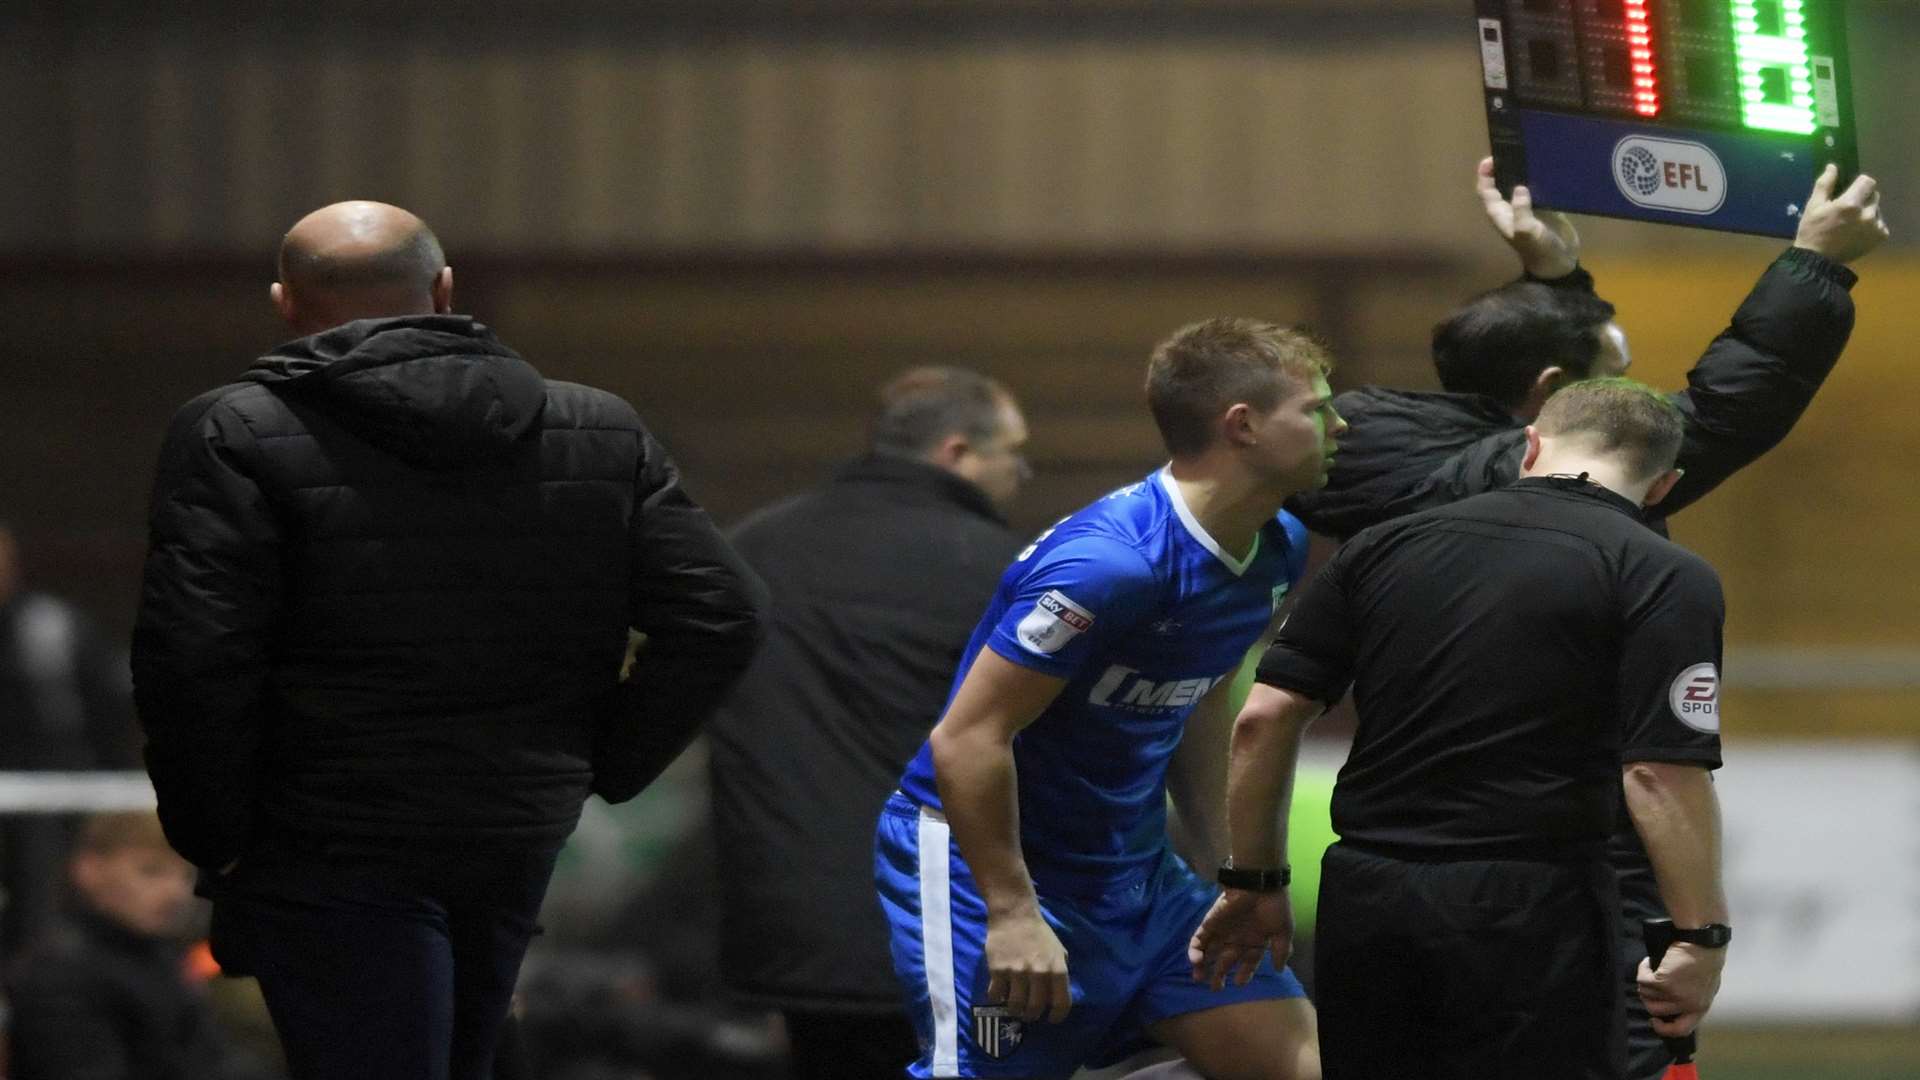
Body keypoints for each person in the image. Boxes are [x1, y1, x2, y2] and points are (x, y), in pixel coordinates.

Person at [129, 201, 765, 1080]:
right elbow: (721, 614)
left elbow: (194, 657)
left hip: (323, 832)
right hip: (512, 824)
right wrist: (599, 762)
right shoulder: (598, 427)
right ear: (444, 289)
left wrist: (213, 832)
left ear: (284, 302)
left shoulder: (233, 432)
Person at [1282, 159, 1888, 1080]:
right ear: (1553, 403)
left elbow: (1266, 715)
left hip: (1382, 875)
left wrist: (1556, 285)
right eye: (1619, 383)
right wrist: (1814, 266)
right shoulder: (1571, 512)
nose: (1635, 402)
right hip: (1555, 865)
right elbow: (1726, 405)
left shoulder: (1368, 450)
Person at [1194, 378, 1729, 1080]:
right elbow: (1658, 772)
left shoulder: (1380, 545)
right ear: (1663, 486)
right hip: (1536, 905)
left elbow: (1262, 720)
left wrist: (1253, 883)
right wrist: (1699, 937)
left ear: (1529, 446)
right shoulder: (1663, 572)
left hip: (1368, 897)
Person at [875, 318, 1342, 1080]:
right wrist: (1012, 910)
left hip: (1135, 872)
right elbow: (967, 739)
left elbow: (1199, 709)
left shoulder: (1277, 547)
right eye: (1317, 409)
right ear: (1244, 426)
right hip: (989, 867)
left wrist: (1238, 875)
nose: (1339, 425)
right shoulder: (1109, 566)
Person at [706, 367, 1031, 1079]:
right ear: (956, 452)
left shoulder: (752, 548)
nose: (1022, 472)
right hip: (948, 925)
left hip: (791, 916)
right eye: (1011, 452)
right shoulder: (997, 571)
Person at [6, 811, 275, 1080]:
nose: (176, 892)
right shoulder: (59, 973)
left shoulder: (164, 957)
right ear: (90, 869)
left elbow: (211, 1060)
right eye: (151, 871)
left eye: (185, 874)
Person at [0, 520, 139, 957]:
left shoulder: (53, 630)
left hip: (56, 812)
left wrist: (113, 796)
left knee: (49, 930)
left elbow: (113, 715)